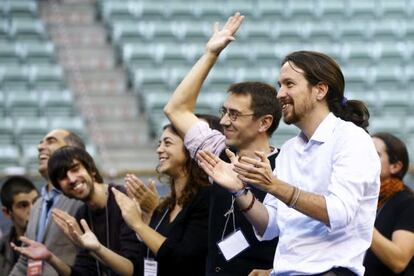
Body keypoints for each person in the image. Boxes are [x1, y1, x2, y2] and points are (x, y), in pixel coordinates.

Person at [197, 50, 381, 275]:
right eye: (280, 85)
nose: (280, 94)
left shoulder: (351, 139)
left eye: (289, 84)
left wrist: (274, 186)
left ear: (320, 90)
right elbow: (270, 226)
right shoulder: (290, 150)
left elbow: (339, 213)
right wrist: (239, 191)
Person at [163, 12, 282, 275]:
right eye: (224, 111)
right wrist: (210, 53)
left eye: (235, 115)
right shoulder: (217, 150)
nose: (224, 121)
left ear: (264, 123)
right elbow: (176, 109)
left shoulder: (289, 163)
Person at [12, 146, 141, 275]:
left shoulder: (123, 199)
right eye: (63, 177)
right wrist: (50, 257)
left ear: (91, 170)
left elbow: (130, 270)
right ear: (61, 190)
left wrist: (96, 248)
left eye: (75, 169)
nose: (72, 179)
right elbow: (82, 273)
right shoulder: (81, 214)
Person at [9, 129, 85, 276]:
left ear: (72, 152)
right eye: (40, 143)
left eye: (51, 141)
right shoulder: (37, 205)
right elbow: (25, 262)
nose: (40, 147)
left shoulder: (82, 199)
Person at [364, 132, 414, 275]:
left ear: (395, 167)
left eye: (374, 154)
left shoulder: (408, 203)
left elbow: (399, 261)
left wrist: (359, 219)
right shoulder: (361, 198)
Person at [0, 176, 39, 275]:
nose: (33, 209)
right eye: (23, 205)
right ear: (7, 212)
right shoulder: (2, 249)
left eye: (36, 202)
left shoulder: (53, 240)